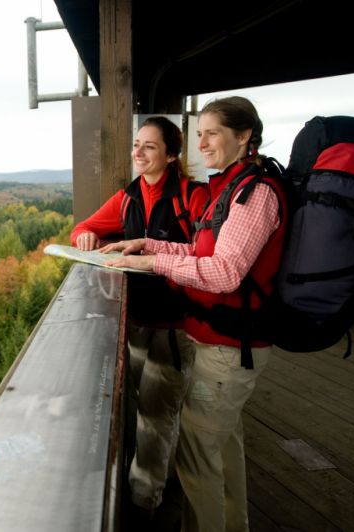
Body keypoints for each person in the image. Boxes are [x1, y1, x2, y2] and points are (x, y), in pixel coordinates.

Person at [103, 96, 287, 532]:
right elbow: (202, 250)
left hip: (228, 350)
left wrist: (151, 263)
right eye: (199, 133)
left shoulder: (253, 193)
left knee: (196, 455)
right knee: (221, 449)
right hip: (218, 344)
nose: (202, 142)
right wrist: (147, 245)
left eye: (214, 133)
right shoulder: (232, 186)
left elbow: (224, 272)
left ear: (244, 136)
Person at [70, 116, 208, 516]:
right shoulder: (128, 197)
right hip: (136, 320)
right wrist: (88, 236)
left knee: (155, 411)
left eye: (149, 146)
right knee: (144, 406)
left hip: (175, 323)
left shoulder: (191, 197)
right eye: (136, 144)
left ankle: (145, 500)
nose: (138, 152)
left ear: (170, 153)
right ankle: (152, 480)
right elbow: (85, 227)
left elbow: (208, 254)